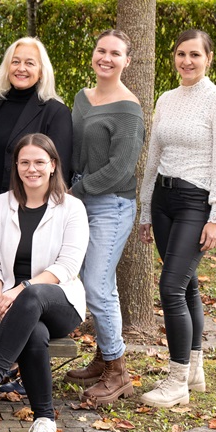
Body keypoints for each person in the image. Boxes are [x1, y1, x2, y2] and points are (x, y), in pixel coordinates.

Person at [0, 133, 89, 432]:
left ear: (53, 165)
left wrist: (18, 291)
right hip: (11, 306)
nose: (32, 169)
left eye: (39, 162)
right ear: (16, 166)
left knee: (32, 297)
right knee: (34, 332)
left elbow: (68, 266)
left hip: (61, 301)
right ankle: (45, 421)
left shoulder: (72, 208)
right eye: (25, 162)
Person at [137, 29, 216, 408]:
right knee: (187, 285)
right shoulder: (166, 99)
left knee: (170, 287)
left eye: (195, 54)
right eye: (181, 54)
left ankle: (176, 379)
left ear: (208, 58)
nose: (187, 61)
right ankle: (195, 368)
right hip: (164, 200)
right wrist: (147, 209)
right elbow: (153, 158)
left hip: (196, 203)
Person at [63, 30, 145, 405]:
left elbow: (119, 169)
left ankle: (118, 372)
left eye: (116, 53)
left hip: (110, 203)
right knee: (96, 283)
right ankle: (103, 356)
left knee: (96, 284)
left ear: (127, 61)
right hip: (78, 200)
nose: (106, 58)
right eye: (101, 50)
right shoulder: (82, 98)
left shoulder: (129, 109)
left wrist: (74, 191)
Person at [0, 37, 72, 214]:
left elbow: (60, 172)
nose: (21, 68)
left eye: (30, 63)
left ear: (41, 71)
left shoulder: (56, 112)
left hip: (29, 210)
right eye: (15, 62)